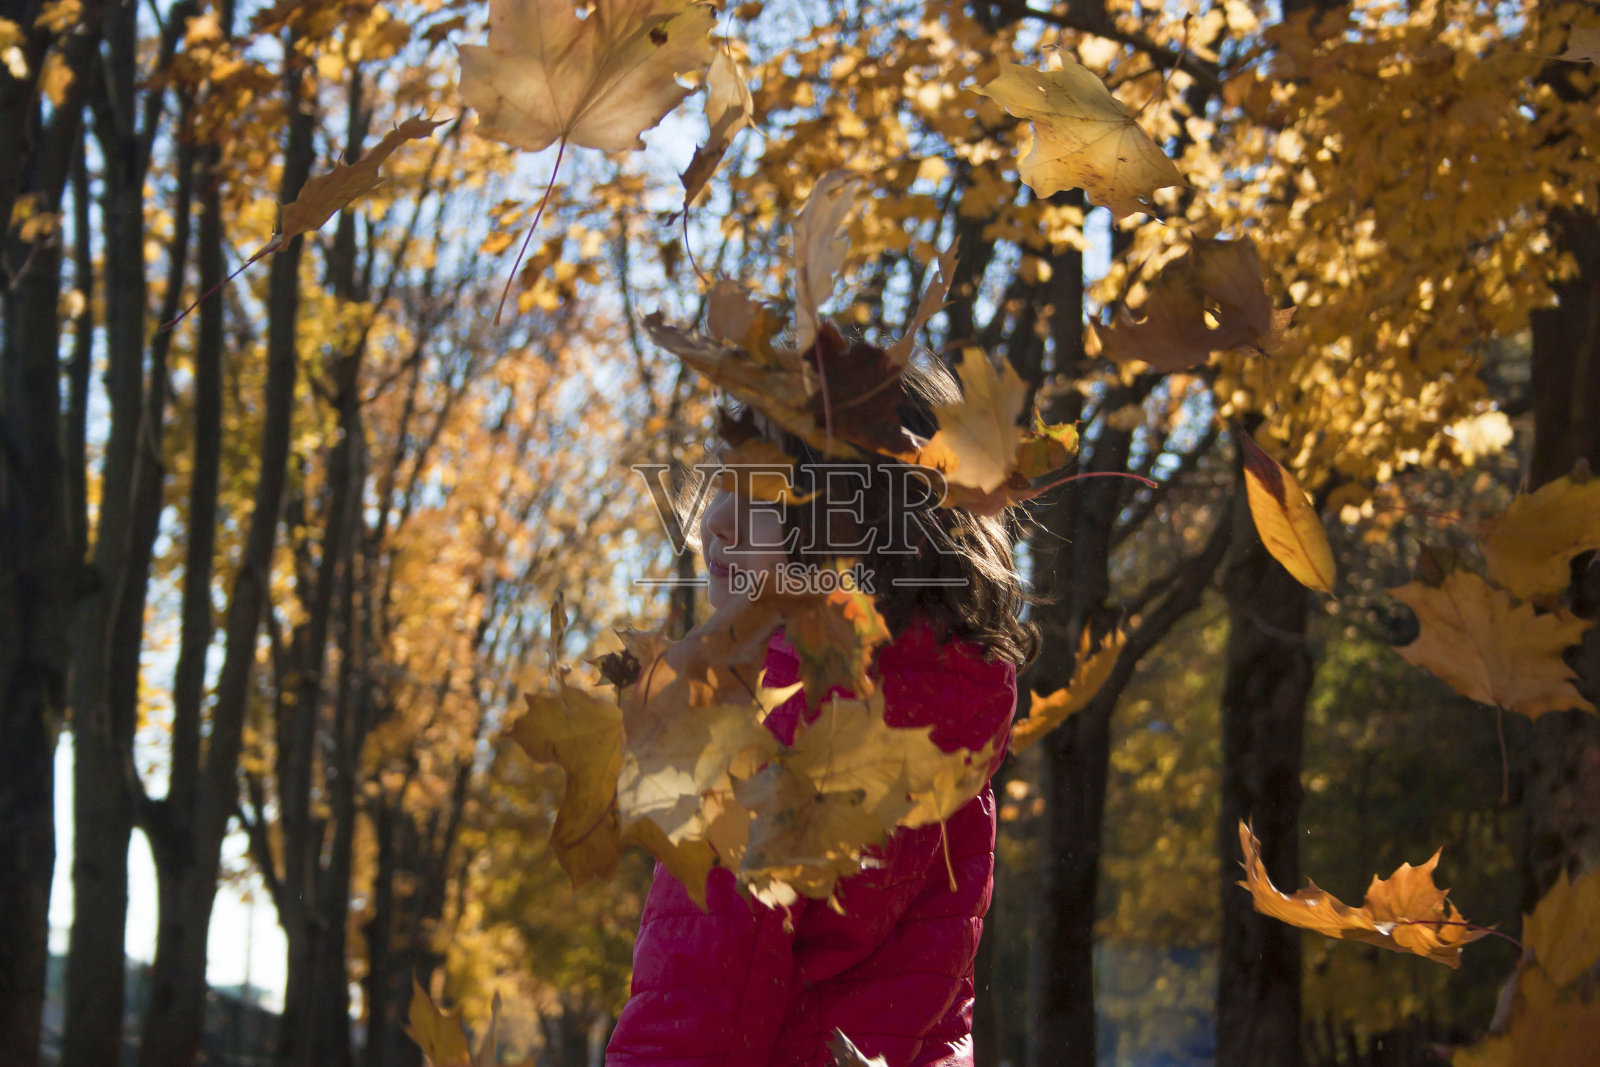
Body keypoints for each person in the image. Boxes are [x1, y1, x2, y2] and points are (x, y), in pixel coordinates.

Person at [605, 353, 1038, 1067]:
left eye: (756, 498)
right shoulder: (953, 737)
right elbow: (937, 1007)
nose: (712, 524)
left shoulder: (764, 732)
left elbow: (694, 1011)